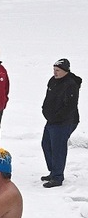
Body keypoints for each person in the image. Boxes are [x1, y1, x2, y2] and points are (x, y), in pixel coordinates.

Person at [41, 58, 81, 188]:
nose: (55, 72)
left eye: (57, 70)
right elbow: (47, 99)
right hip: (51, 120)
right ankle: (53, 171)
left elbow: (70, 106)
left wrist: (56, 118)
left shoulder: (70, 84)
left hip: (65, 121)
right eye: (54, 70)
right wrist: (45, 111)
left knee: (58, 148)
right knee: (46, 144)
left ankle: (58, 177)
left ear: (65, 71)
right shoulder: (52, 81)